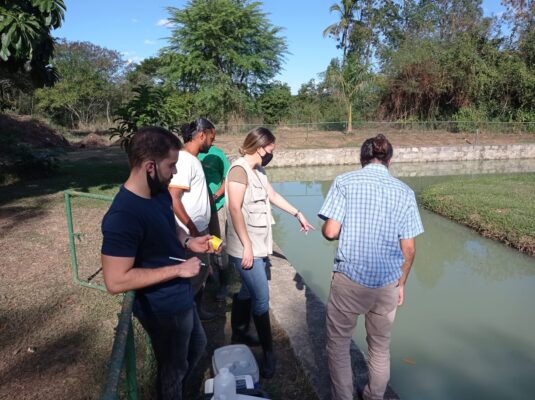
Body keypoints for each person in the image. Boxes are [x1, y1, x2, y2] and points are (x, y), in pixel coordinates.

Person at [100, 126, 213, 400]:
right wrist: (179, 269)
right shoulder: (123, 216)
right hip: (163, 309)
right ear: (150, 166)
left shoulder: (159, 192)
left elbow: (170, 228)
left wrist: (189, 242)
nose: (175, 172)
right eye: (171, 165)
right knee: (173, 370)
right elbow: (115, 281)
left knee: (198, 347)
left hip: (181, 296)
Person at [318, 134, 424, 400]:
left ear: (361, 158)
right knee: (380, 348)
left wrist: (328, 227)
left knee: (339, 345)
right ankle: (374, 396)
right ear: (389, 161)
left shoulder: (345, 182)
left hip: (349, 280)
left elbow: (330, 232)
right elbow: (409, 249)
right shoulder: (405, 192)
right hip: (388, 284)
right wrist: (401, 284)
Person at [225, 127, 314, 379]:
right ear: (259, 146)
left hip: (258, 244)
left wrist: (298, 213)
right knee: (262, 300)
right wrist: (247, 245)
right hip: (245, 248)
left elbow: (272, 195)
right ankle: (269, 353)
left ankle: (239, 332)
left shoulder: (259, 171)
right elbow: (234, 208)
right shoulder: (239, 171)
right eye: (271, 148)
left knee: (246, 290)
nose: (272, 153)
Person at [169, 118, 217, 321]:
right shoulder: (185, 160)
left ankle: (196, 313)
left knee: (201, 272)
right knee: (193, 274)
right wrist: (194, 231)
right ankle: (185, 318)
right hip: (190, 232)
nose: (212, 143)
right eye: (211, 138)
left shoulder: (192, 159)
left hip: (198, 230)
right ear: (202, 135)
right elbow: (174, 197)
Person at [198, 129, 231, 302]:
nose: (212, 141)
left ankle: (224, 283)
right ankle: (208, 277)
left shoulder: (218, 154)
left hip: (216, 208)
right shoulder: (191, 155)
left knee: (219, 244)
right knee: (202, 244)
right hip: (198, 210)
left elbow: (227, 178)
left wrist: (216, 195)